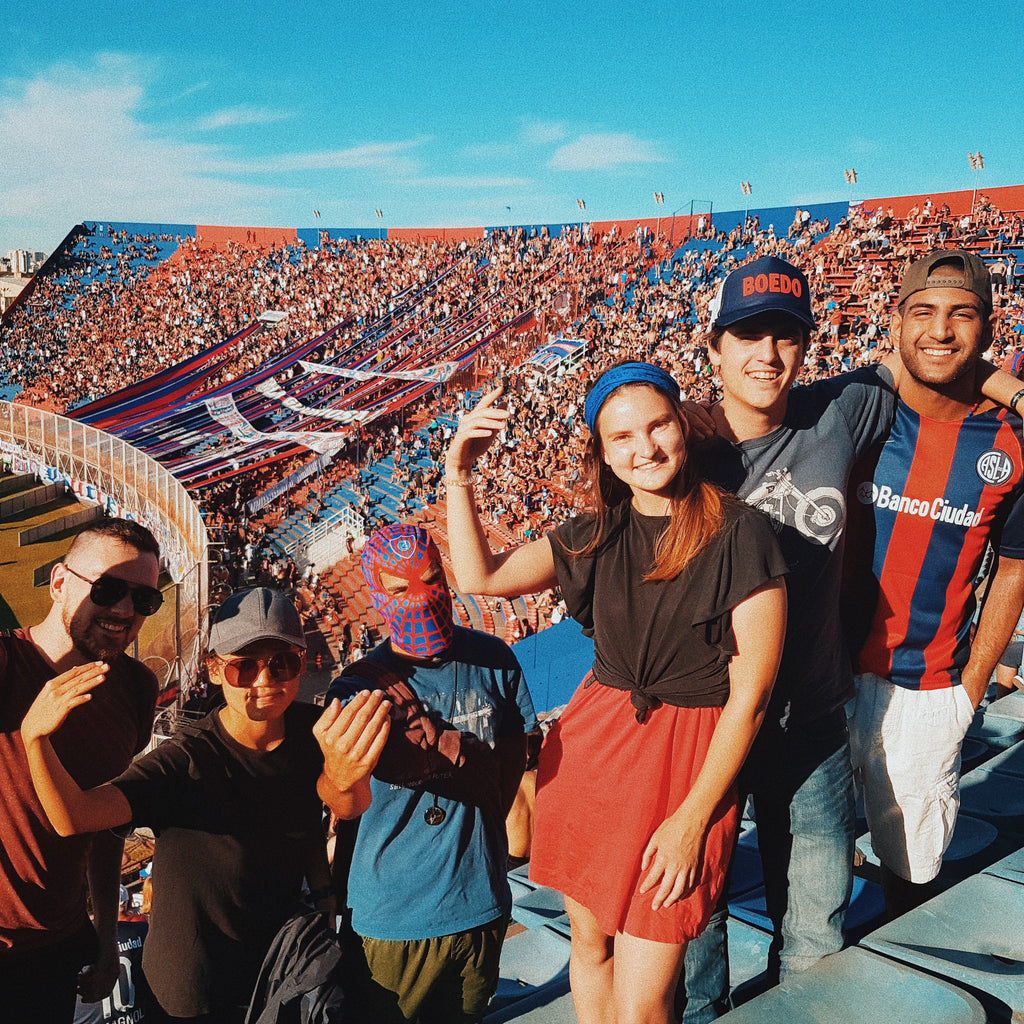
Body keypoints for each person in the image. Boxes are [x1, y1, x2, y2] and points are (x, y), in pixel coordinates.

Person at [444, 363, 788, 1024]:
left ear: (683, 425)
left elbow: (751, 697)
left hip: (684, 771)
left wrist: (692, 822)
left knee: (646, 1004)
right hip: (591, 758)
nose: (645, 447)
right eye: (622, 436)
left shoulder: (740, 532)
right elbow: (481, 578)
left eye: (657, 425)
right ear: (603, 452)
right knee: (590, 948)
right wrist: (458, 468)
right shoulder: (596, 533)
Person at [20, 587, 334, 1023]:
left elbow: (305, 828)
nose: (265, 681)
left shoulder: (314, 733)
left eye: (283, 664)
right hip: (190, 992)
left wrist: (325, 905)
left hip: (279, 970)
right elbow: (73, 817)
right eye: (244, 666)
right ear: (214, 669)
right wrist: (34, 738)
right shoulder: (184, 762)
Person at [846, 250, 1024, 917]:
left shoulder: (1012, 441)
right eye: (922, 312)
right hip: (825, 677)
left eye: (961, 314)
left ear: (988, 329)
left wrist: (972, 686)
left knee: (911, 869)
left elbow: (1014, 569)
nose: (941, 330)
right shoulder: (859, 414)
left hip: (929, 688)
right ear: (896, 324)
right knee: (813, 852)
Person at [318, 522, 536, 1024]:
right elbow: (340, 800)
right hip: (391, 920)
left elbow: (507, 769)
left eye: (431, 577)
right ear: (377, 594)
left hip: (481, 902)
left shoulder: (494, 659)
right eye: (399, 589)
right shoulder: (355, 691)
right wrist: (337, 773)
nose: (420, 596)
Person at [0, 518, 162, 1023]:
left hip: (57, 945)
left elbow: (106, 822)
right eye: (109, 588)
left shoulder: (136, 687)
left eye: (144, 600)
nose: (123, 610)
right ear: (58, 582)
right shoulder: (6, 662)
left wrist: (108, 936)